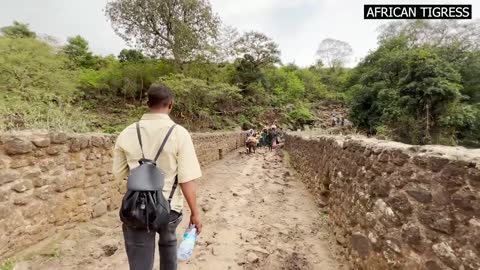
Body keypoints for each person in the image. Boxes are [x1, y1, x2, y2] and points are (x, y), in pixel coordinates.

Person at [112, 84, 203, 270]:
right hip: (169, 208)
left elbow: (118, 173)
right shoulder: (179, 133)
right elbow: (186, 180)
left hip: (137, 208)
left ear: (147, 104)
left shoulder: (127, 133)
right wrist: (195, 212)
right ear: (171, 104)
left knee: (140, 261)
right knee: (169, 244)